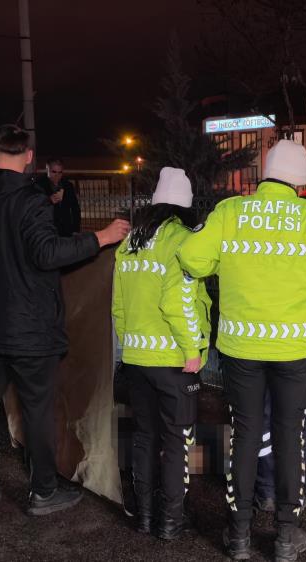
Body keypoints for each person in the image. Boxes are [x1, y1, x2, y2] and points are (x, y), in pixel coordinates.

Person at [178, 139, 306, 561]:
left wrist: (228, 262)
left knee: (244, 435)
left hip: (241, 348)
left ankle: (239, 535)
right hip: (295, 350)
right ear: (301, 180)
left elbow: (192, 259)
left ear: (265, 171)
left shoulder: (230, 211)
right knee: (290, 436)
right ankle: (285, 536)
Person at [0, 124, 129, 518]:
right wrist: (103, 237)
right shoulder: (30, 199)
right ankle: (43, 492)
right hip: (25, 326)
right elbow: (46, 253)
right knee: (37, 408)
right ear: (28, 158)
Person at [111, 167, 211, 540]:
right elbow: (178, 302)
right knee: (176, 440)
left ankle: (145, 516)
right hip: (174, 360)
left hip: (137, 358)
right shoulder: (184, 241)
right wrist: (192, 349)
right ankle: (171, 521)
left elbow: (118, 305)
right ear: (186, 207)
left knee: (143, 436)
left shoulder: (131, 242)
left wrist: (129, 343)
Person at [253, 272, 306, 513]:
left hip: (263, 330)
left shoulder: (248, 235)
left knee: (267, 415)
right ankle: (297, 487)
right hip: (304, 331)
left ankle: (268, 488)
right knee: (301, 414)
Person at [41, 157, 82, 237]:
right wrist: (49, 201)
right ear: (47, 170)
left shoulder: (68, 185)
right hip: (47, 231)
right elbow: (34, 208)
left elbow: (75, 209)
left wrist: (75, 229)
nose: (57, 175)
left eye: (60, 172)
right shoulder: (39, 185)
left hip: (66, 230)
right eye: (54, 172)